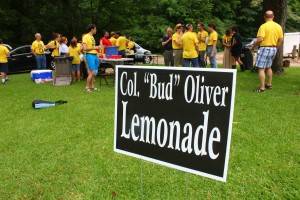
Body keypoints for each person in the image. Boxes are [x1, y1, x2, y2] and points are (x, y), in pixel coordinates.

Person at [250, 10, 283, 93]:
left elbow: (260, 39)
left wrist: (253, 47)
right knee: (268, 67)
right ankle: (269, 84)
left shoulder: (263, 26)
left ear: (264, 17)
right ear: (273, 16)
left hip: (265, 48)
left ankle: (262, 88)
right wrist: (276, 47)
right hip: (273, 49)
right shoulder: (278, 26)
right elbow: (281, 39)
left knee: (261, 68)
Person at [82, 24, 100, 92]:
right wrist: (95, 47)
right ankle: (86, 88)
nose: (96, 30)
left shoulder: (92, 37)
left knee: (94, 72)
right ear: (92, 29)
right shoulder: (85, 37)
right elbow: (84, 48)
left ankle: (92, 87)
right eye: (95, 29)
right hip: (90, 55)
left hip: (95, 55)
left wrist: (96, 48)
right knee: (92, 72)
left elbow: (93, 47)